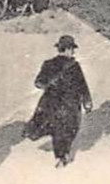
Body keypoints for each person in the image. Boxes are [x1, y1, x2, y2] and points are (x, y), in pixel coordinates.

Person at [24, 36, 92, 167]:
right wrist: (86, 101)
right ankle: (62, 155)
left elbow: (39, 82)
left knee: (59, 128)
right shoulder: (70, 65)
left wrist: (48, 83)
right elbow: (82, 85)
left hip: (54, 102)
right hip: (67, 103)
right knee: (67, 128)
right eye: (72, 49)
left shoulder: (52, 64)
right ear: (66, 49)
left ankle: (61, 155)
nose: (73, 52)